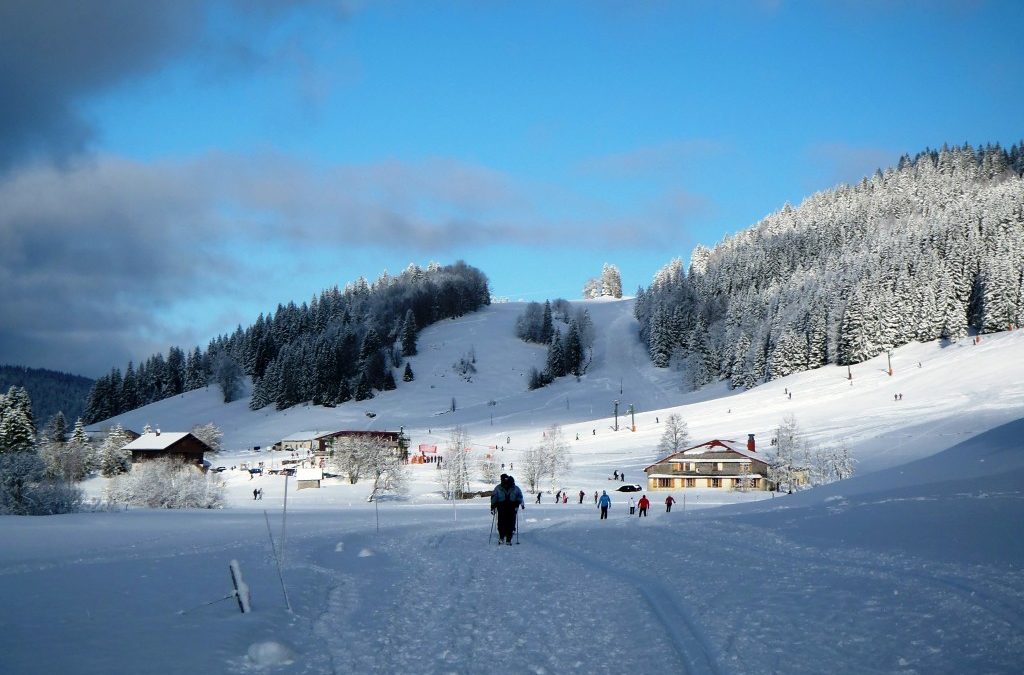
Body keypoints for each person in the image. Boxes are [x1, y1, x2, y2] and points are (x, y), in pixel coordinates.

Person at [490, 474, 524, 545]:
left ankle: (507, 538)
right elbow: (494, 496)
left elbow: (520, 496)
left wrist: (518, 502)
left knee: (507, 522)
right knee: (505, 522)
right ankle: (503, 537)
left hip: (510, 507)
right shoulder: (499, 487)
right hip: (503, 507)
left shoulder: (514, 488)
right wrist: (493, 505)